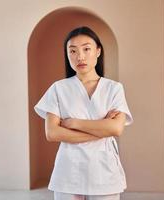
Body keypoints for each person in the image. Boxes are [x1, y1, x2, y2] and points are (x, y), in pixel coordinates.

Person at [34, 26, 133, 200]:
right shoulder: (58, 88)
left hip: (104, 171)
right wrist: (101, 130)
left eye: (86, 49)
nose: (80, 56)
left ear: (98, 51)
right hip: (69, 170)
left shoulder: (114, 88)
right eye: (72, 51)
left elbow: (116, 129)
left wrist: (73, 123)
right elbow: (52, 133)